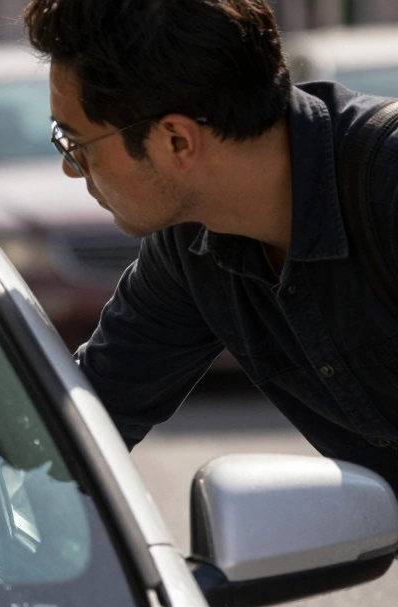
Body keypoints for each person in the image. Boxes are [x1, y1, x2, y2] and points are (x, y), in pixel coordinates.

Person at [21, 0, 398, 488]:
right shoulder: (190, 244)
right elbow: (85, 418)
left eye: (75, 143)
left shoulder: (387, 188)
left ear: (176, 141)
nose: (71, 169)